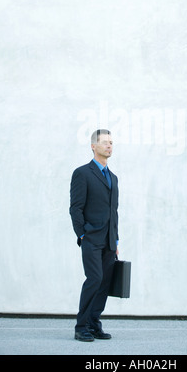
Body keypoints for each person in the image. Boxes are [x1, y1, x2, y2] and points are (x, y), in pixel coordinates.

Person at [69, 129, 119, 342]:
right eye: (105, 142)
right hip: (91, 238)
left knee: (105, 283)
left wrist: (115, 240)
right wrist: (82, 234)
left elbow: (113, 211)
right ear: (93, 146)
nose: (109, 146)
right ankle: (81, 326)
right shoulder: (82, 173)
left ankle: (93, 323)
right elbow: (75, 208)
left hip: (109, 239)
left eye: (111, 142)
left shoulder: (113, 177)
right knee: (94, 279)